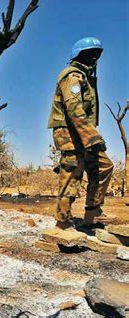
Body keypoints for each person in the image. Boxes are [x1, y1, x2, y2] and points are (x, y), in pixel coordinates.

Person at [48, 37, 115, 232]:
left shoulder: (86, 78)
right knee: (71, 174)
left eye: (96, 54)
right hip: (69, 134)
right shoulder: (72, 76)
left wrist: (90, 136)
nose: (94, 58)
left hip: (84, 134)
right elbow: (74, 107)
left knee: (103, 167)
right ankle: (63, 223)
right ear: (79, 56)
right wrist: (92, 136)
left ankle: (92, 212)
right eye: (89, 54)